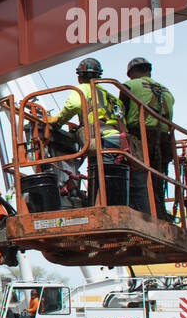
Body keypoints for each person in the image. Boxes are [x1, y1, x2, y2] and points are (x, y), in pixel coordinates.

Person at [48, 57, 126, 206]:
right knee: (116, 178)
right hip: (120, 141)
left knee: (100, 177)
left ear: (79, 76)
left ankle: (101, 207)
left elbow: (73, 106)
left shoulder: (82, 89)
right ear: (99, 76)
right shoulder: (110, 96)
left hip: (103, 140)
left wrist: (57, 121)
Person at [122, 56, 175, 219]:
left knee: (138, 177)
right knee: (158, 179)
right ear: (148, 71)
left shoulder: (129, 85)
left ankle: (144, 213)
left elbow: (121, 113)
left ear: (131, 73)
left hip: (140, 136)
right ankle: (159, 213)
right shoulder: (166, 91)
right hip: (164, 140)